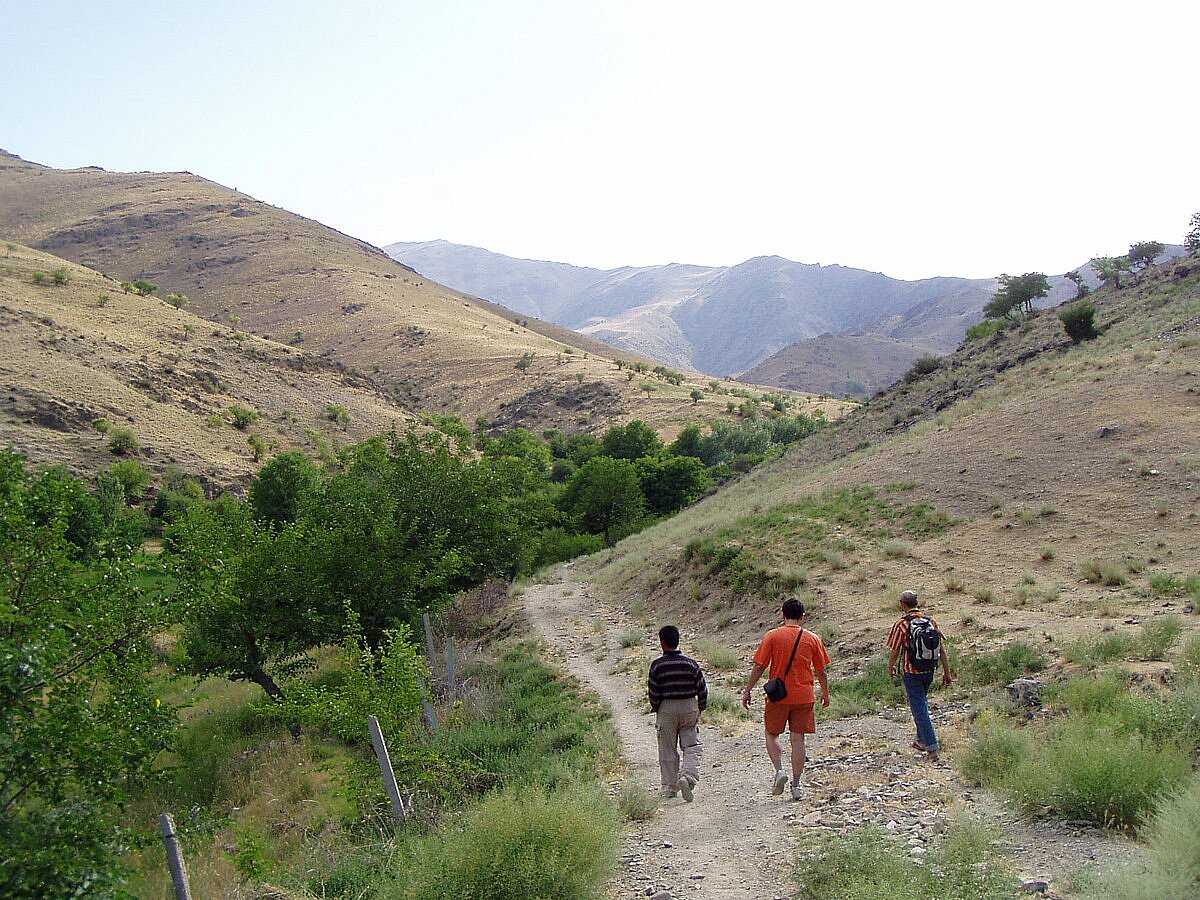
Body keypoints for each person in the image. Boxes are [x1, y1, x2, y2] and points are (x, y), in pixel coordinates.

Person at [740, 598, 830, 800]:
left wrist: (747, 690)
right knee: (798, 739)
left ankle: (780, 771)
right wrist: (825, 692)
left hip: (778, 696)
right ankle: (796, 785)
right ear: (803, 616)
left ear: (783, 615)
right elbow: (821, 671)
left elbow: (759, 666)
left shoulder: (773, 636)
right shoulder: (813, 639)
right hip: (804, 696)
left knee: (771, 734)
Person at [887, 589, 953, 762]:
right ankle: (921, 740)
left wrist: (891, 667)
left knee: (919, 710)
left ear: (902, 604)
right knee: (922, 703)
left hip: (911, 671)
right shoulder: (930, 621)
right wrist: (947, 673)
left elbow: (895, 650)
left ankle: (932, 748)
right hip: (929, 670)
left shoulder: (902, 624)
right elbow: (942, 650)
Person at [647, 624, 708, 801]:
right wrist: (700, 708)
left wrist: (657, 707)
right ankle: (687, 777)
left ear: (662, 642)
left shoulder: (657, 666)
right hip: (689, 705)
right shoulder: (691, 664)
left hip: (667, 708)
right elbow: (702, 689)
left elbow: (653, 691)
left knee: (667, 749)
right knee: (691, 746)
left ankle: (669, 787)